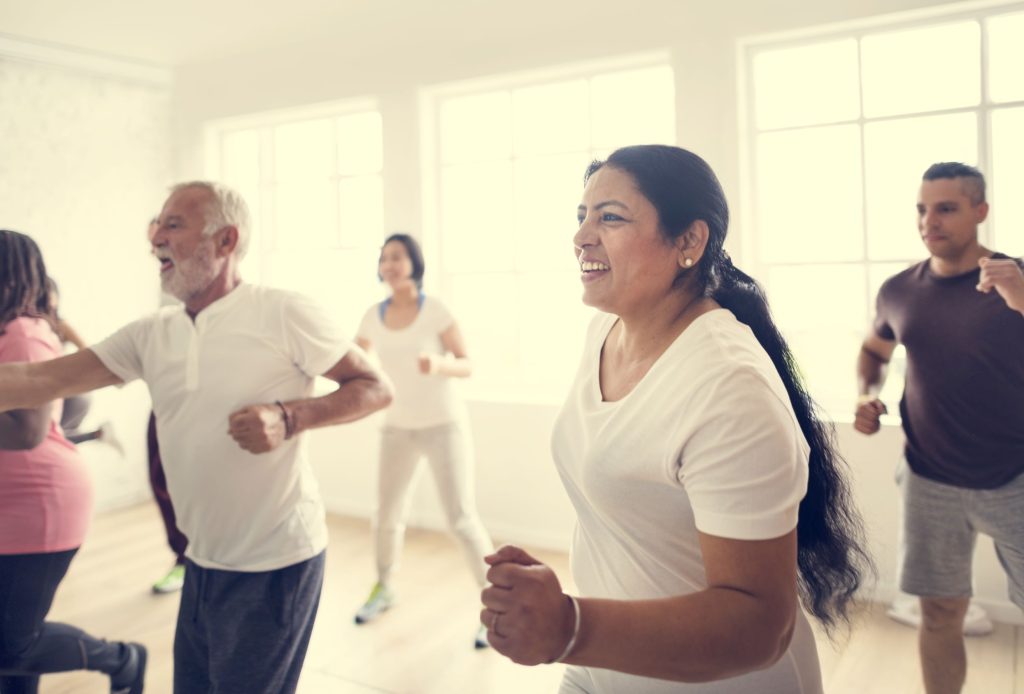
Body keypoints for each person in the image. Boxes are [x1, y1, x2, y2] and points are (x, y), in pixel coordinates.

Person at [480, 145, 870, 693]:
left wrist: (570, 626)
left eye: (610, 217)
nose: (581, 236)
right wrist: (570, 626)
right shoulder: (607, 329)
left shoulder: (729, 387)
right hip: (601, 667)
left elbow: (760, 626)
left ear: (689, 241)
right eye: (582, 215)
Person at [0, 182, 393, 694]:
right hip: (202, 559)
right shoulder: (149, 334)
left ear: (226, 240)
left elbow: (375, 387)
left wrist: (289, 417)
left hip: (275, 562)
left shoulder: (283, 311)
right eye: (156, 225)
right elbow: (39, 380)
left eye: (173, 225)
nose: (155, 238)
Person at [854, 162, 1024, 694]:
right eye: (922, 209)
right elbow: (874, 350)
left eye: (946, 208)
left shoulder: (1018, 277)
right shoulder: (900, 289)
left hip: (1016, 477)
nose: (930, 220)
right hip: (929, 477)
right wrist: (867, 394)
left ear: (981, 211)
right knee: (940, 612)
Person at [0, 229, 146, 694]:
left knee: (12, 645)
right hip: (11, 499)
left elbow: (28, 430)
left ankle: (122, 661)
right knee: (12, 633)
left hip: (37, 504)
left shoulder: (24, 334)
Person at [352, 233, 495, 648]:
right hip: (396, 427)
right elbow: (353, 363)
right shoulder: (371, 317)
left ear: (414, 263)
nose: (390, 264)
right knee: (386, 514)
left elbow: (467, 364)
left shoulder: (436, 311)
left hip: (442, 426)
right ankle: (384, 586)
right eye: (384, 258)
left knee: (461, 518)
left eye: (397, 257)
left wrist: (438, 364)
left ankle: (495, 607)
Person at [47, 278, 121, 452]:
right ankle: (98, 434)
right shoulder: (36, 326)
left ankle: (98, 434)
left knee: (48, 438)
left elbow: (87, 352)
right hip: (61, 393)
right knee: (51, 439)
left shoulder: (60, 325)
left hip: (70, 394)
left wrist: (62, 369)